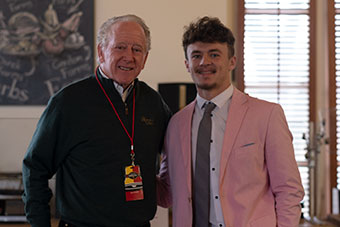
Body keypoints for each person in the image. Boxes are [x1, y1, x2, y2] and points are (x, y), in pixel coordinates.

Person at [22, 14, 171, 227]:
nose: (129, 57)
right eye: (120, 47)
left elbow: (177, 152)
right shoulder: (68, 102)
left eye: (137, 49)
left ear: (145, 58)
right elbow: (34, 167)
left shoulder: (153, 102)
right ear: (101, 52)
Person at [157, 16, 304, 227]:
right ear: (187, 64)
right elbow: (167, 194)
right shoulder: (175, 124)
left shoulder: (267, 115)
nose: (204, 62)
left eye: (214, 54)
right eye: (196, 55)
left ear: (232, 62)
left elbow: (289, 190)